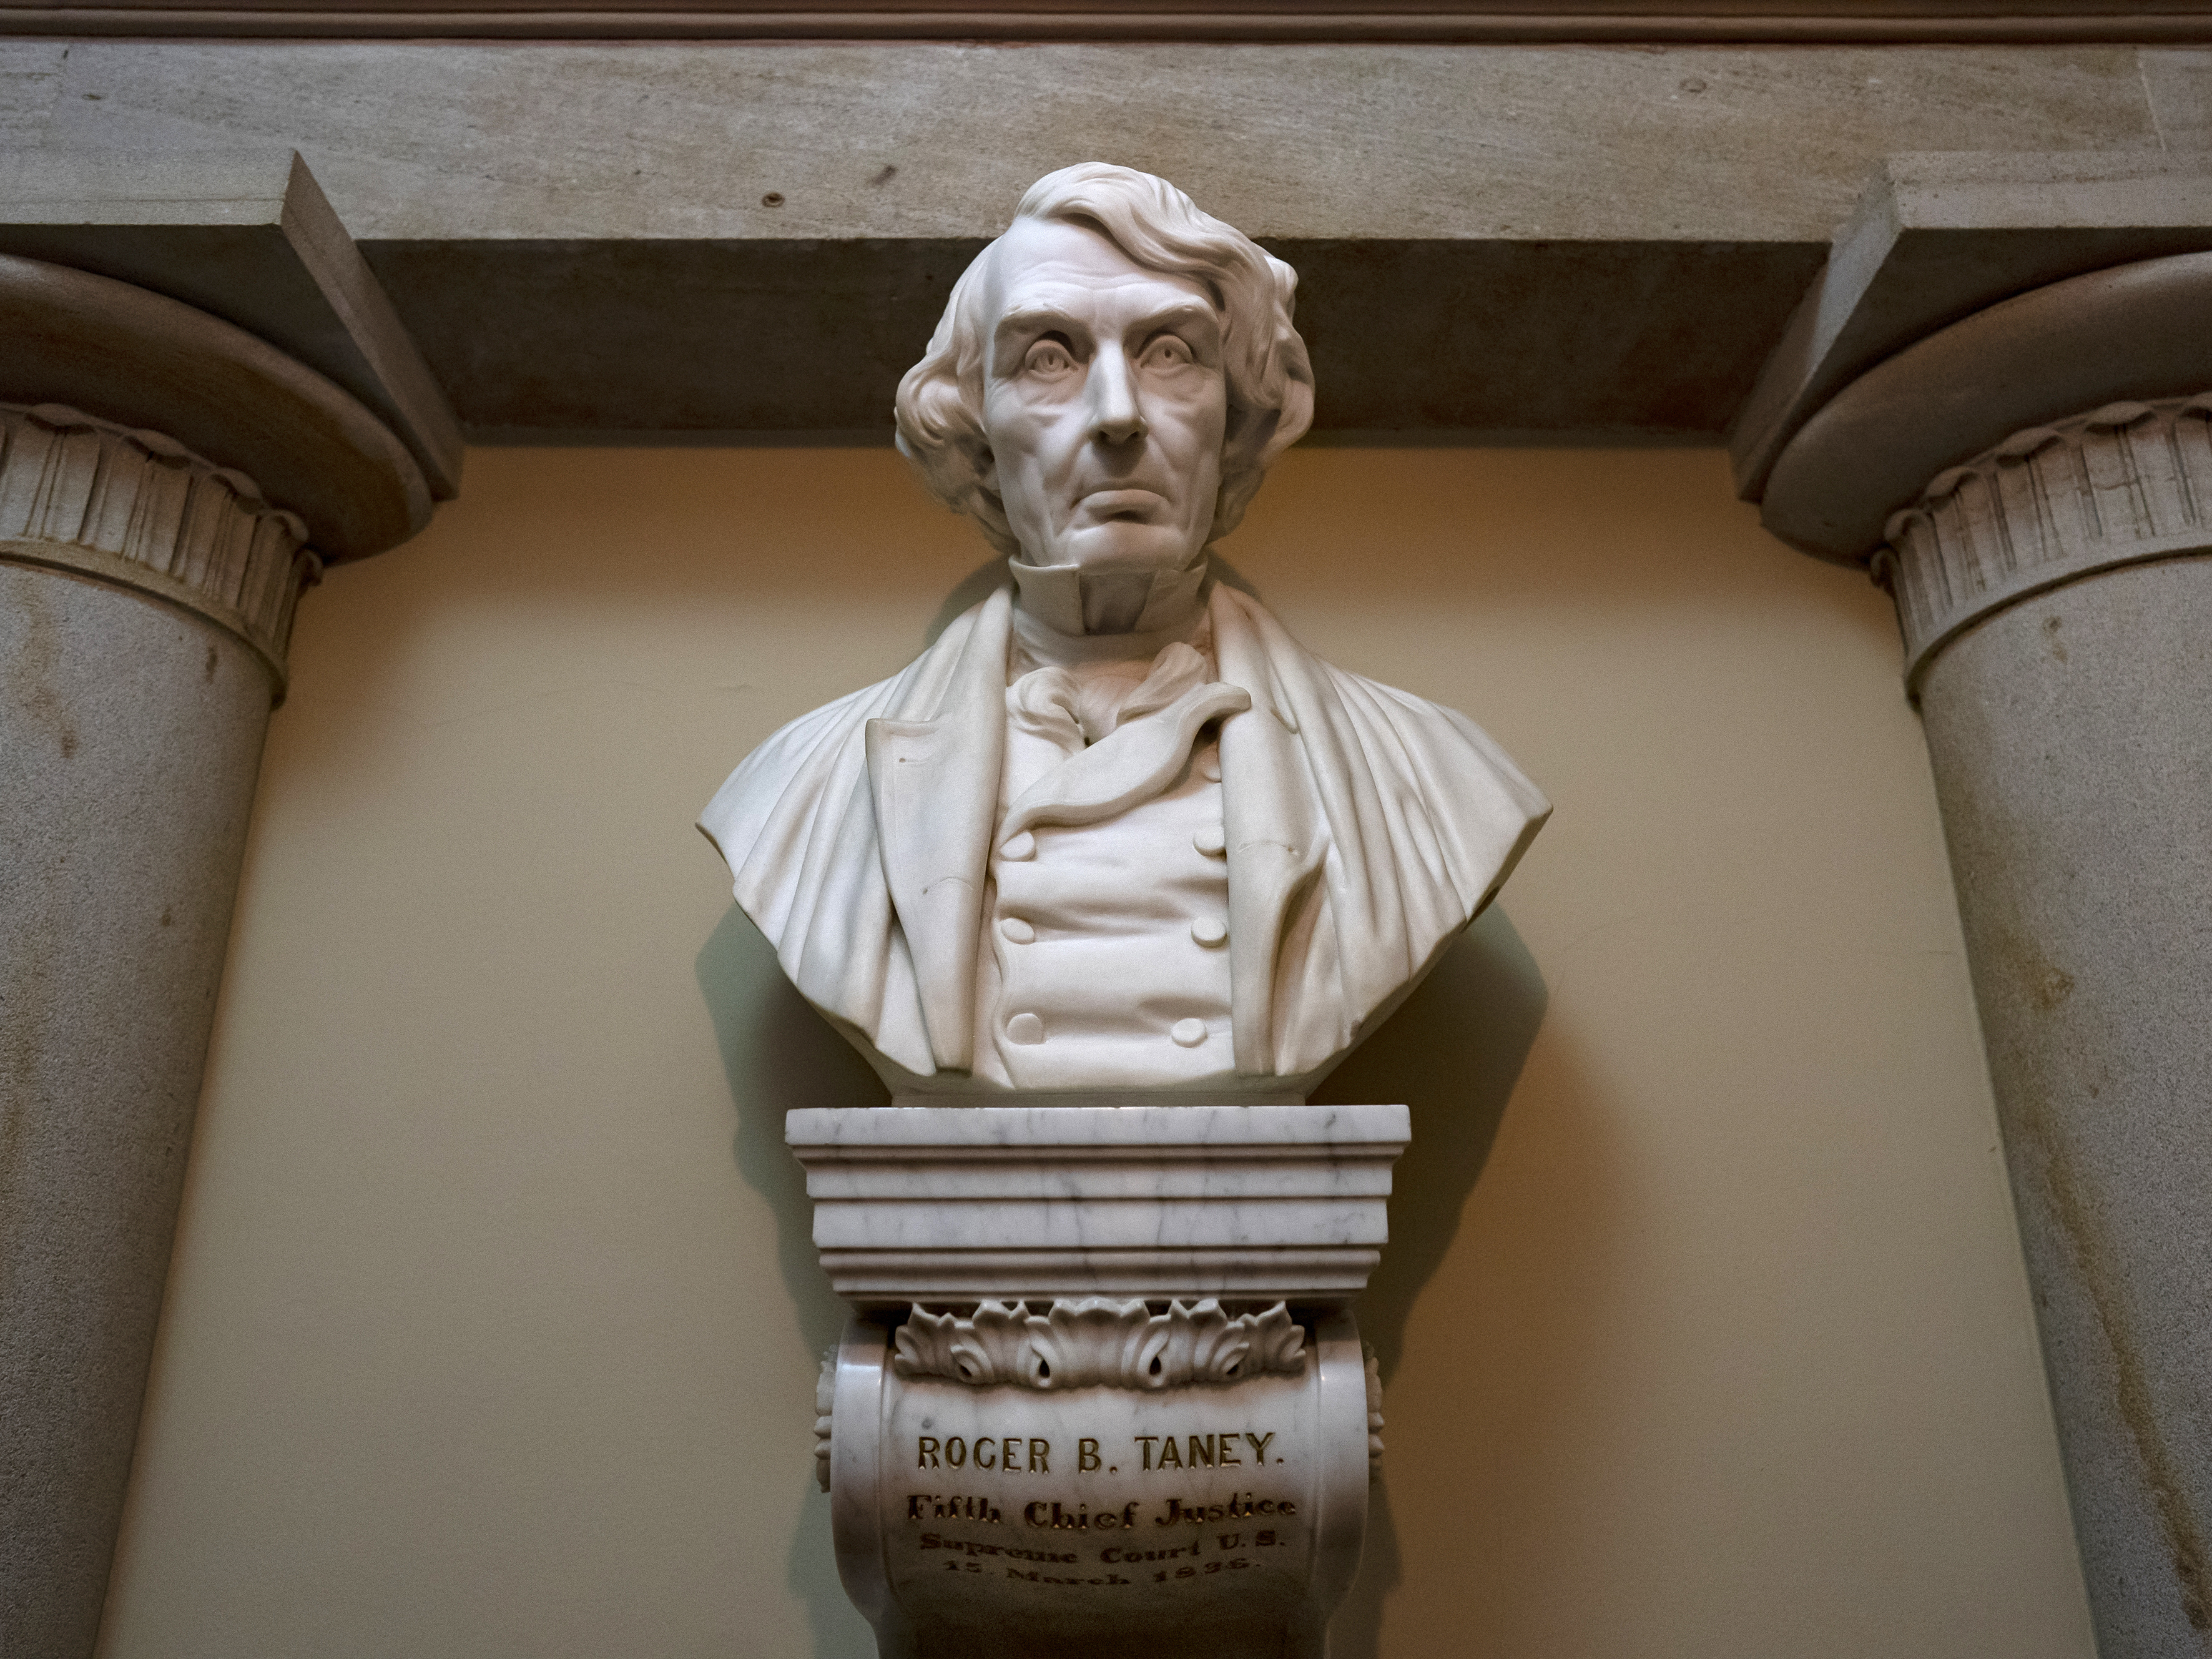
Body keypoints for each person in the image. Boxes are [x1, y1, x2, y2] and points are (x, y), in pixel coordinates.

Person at [700, 162, 1547, 1098]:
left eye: (1170, 353)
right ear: (978, 434)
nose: (1117, 416)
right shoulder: (804, 785)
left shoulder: (1428, 777)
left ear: (1237, 419)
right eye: (1049, 358)